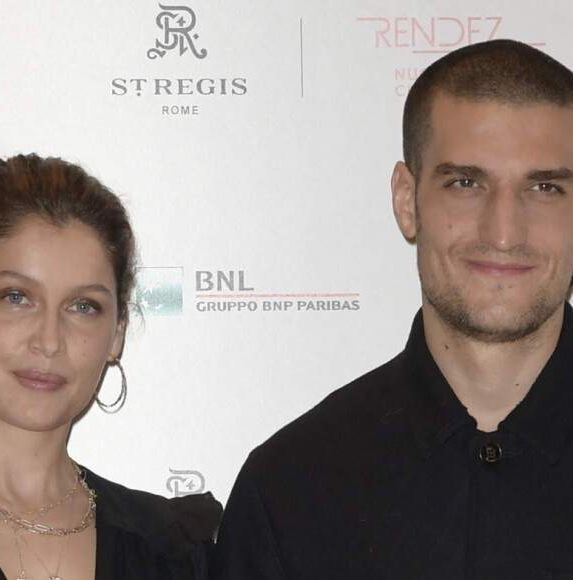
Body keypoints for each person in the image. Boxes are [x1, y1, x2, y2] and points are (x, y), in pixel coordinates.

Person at [212, 39, 573, 579]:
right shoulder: (291, 486)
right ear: (407, 201)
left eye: (544, 187)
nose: (503, 233)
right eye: (466, 183)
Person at [0, 154, 221, 580]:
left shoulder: (173, 552)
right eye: (16, 297)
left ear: (117, 333)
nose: (48, 341)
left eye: (83, 306)